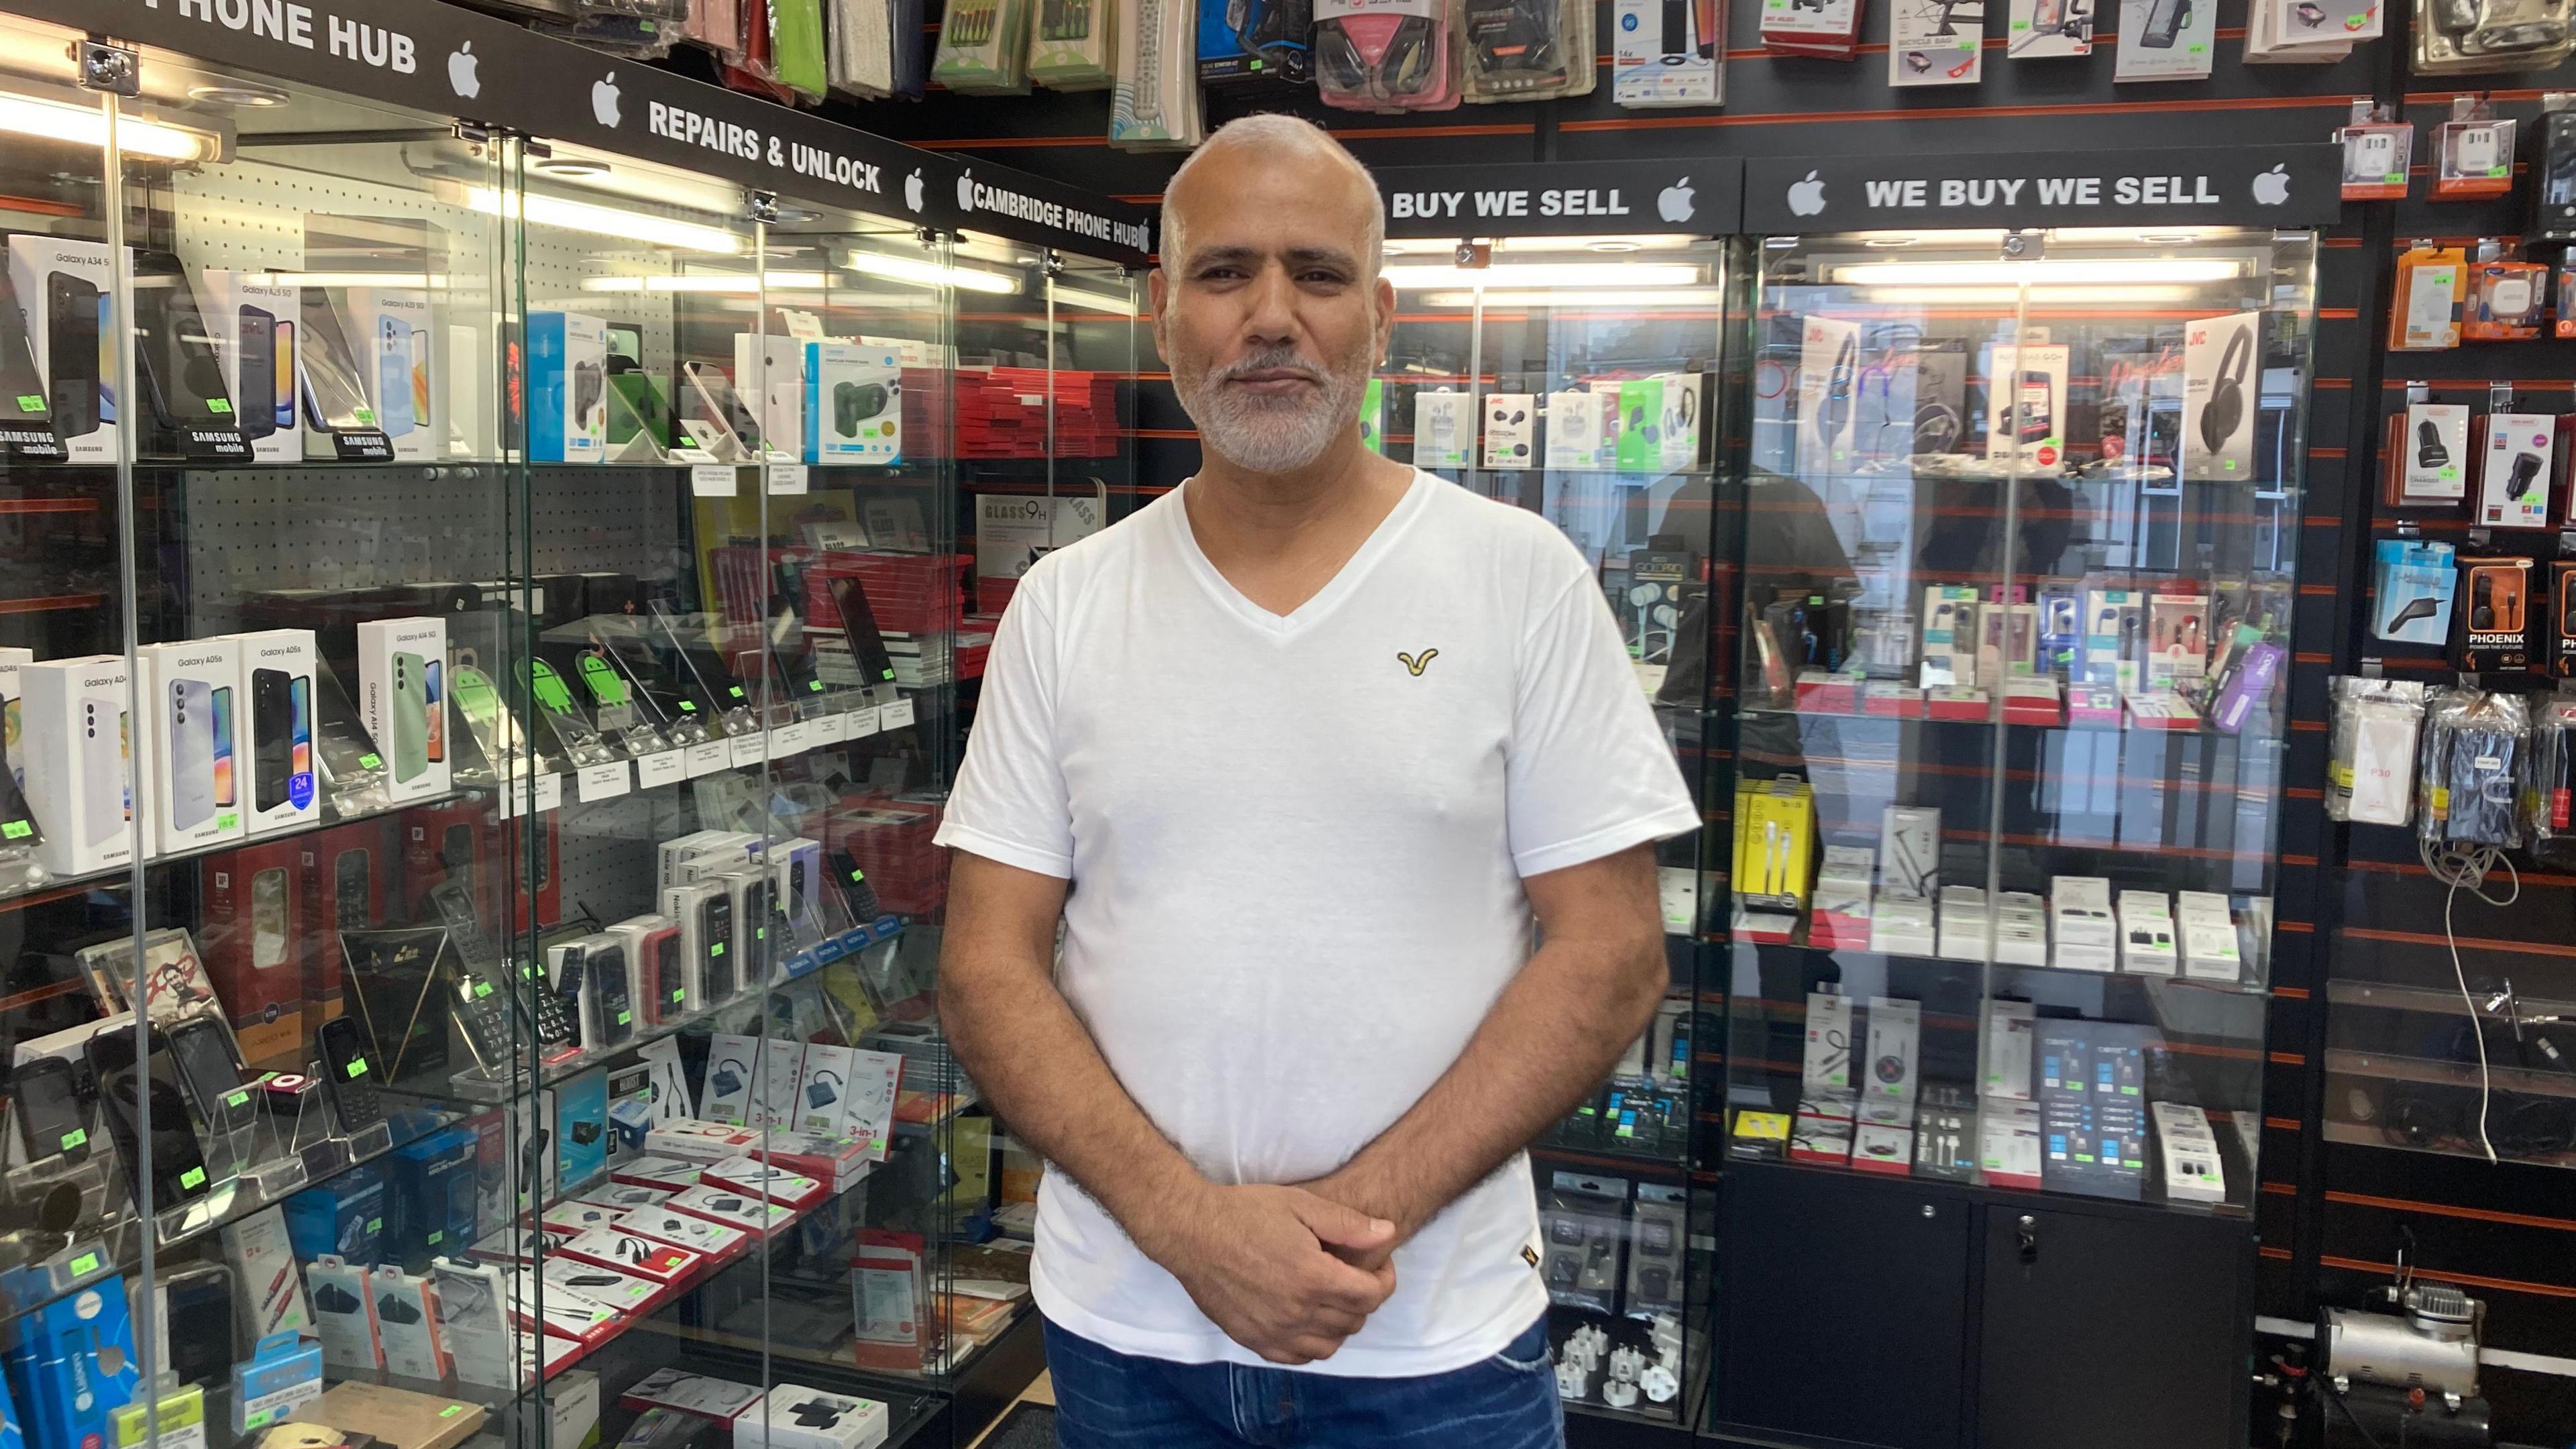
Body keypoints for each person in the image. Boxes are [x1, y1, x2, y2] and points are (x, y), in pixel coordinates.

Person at [934, 113, 1701, 1449]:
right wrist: (1191, 1232)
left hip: (1428, 1344)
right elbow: (985, 966)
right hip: (1130, 1335)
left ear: (1382, 317)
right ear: (1163, 313)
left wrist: (1341, 1230)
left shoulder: (1521, 582)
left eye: (1319, 275)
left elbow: (1615, 955)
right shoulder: (1064, 606)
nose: (1273, 316)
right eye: (1226, 274)